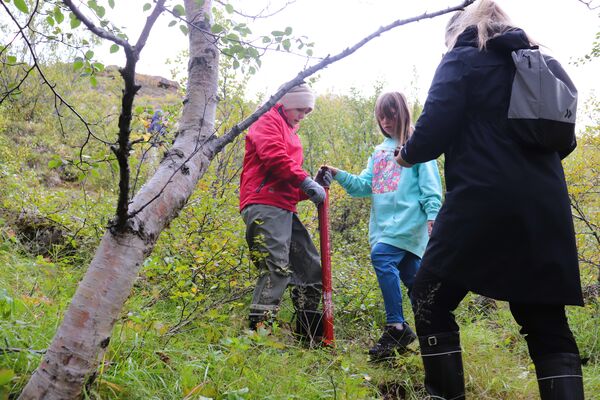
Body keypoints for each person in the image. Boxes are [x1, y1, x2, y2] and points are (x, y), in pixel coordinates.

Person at [394, 1, 584, 399]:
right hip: (544, 206)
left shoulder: (463, 58)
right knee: (546, 321)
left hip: (482, 200)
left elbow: (432, 132)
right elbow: (563, 141)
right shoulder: (538, 64)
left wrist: (406, 153)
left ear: (458, 31)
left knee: (429, 294)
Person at [321, 91, 442, 361]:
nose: (386, 121)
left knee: (382, 256)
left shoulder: (418, 147)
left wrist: (433, 217)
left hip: (409, 224)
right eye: (381, 116)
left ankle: (396, 327)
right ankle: (434, 335)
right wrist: (338, 174)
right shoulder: (378, 152)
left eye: (391, 115)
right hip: (384, 227)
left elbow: (431, 188)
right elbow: (364, 187)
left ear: (403, 113)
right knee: (417, 284)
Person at [239, 83, 326, 342]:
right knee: (275, 268)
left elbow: (288, 180)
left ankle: (308, 337)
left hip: (284, 206)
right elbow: (274, 158)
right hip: (265, 203)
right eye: (300, 108)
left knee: (310, 269)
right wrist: (305, 180)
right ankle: (257, 338)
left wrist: (310, 188)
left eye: (307, 111)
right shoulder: (266, 120)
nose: (302, 115)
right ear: (286, 102)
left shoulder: (290, 131)